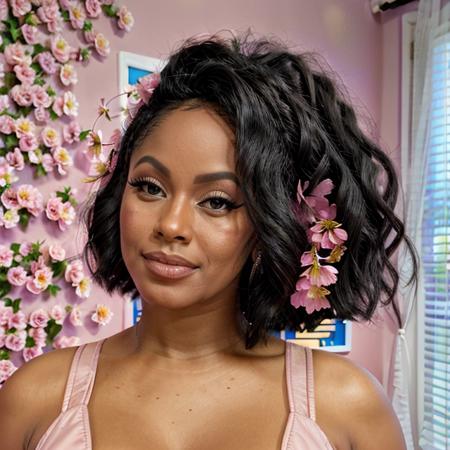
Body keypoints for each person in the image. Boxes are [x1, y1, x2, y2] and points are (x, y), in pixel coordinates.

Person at [0, 33, 417, 450]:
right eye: (149, 187)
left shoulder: (347, 410)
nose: (171, 224)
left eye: (217, 201)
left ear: (269, 225)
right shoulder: (34, 401)